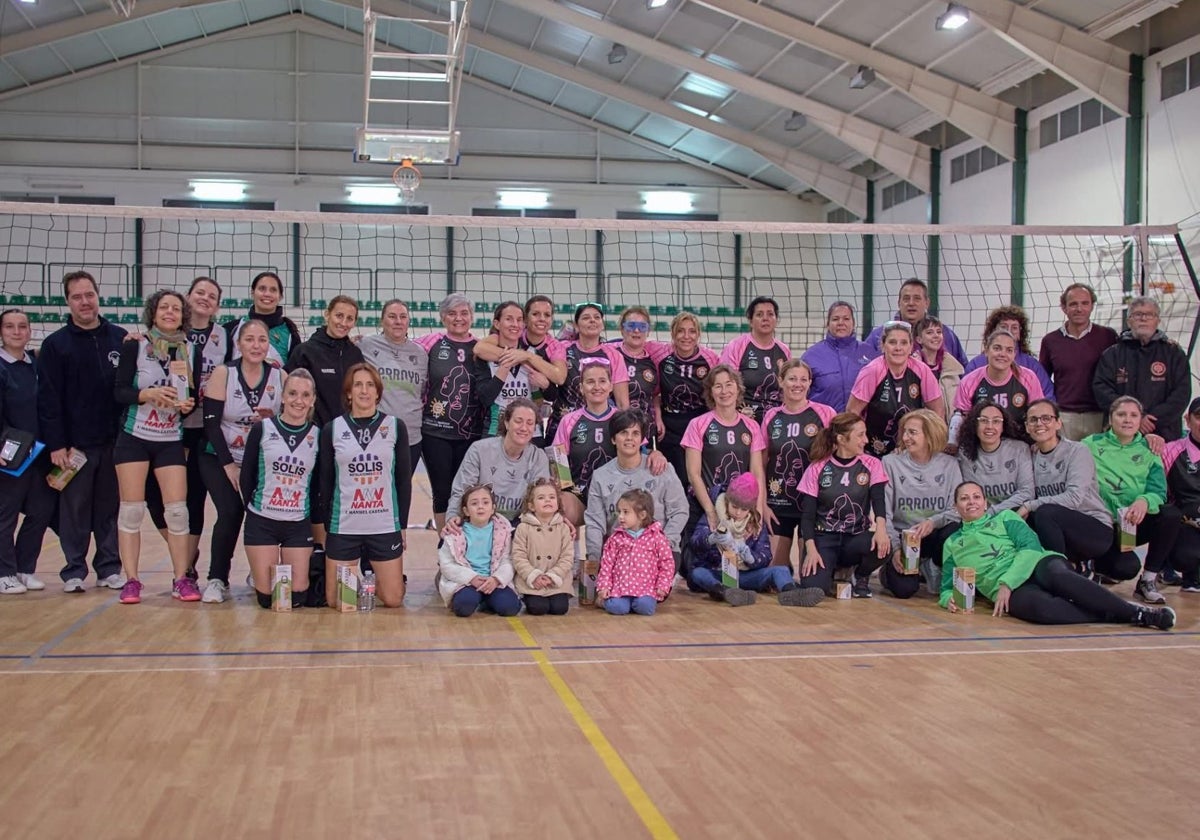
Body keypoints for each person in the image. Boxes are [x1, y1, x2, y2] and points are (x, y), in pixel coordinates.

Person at [941, 481, 1175, 630]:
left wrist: (1007, 583)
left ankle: (1139, 613)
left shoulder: (1005, 519)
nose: (971, 502)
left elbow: (1030, 547)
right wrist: (947, 599)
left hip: (1036, 564)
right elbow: (946, 586)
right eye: (964, 498)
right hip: (1009, 590)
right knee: (1040, 610)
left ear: (985, 503)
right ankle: (1112, 612)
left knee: (1058, 575)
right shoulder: (952, 543)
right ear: (955, 507)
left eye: (976, 497)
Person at [36, 270, 127, 593]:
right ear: (68, 302)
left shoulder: (120, 338)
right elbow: (48, 401)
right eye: (77, 296)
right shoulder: (55, 345)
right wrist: (56, 444)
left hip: (114, 443)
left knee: (109, 509)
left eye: (89, 295)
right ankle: (74, 570)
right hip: (74, 447)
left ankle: (109, 568)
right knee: (73, 510)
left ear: (97, 296)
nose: (85, 302)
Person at [111, 290, 198, 605]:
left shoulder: (187, 349)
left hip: (169, 439)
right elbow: (119, 391)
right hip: (134, 436)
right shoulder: (136, 344)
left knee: (177, 513)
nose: (171, 312)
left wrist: (188, 404)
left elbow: (190, 396)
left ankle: (181, 579)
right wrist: (146, 395)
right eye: (165, 307)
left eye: (176, 308)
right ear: (154, 312)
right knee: (131, 511)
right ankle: (132, 580)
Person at [200, 318, 285, 603]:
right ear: (238, 344)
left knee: (262, 516)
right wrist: (229, 466)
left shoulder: (278, 376)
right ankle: (216, 579)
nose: (256, 345)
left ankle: (257, 572)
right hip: (219, 456)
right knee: (229, 512)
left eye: (262, 340)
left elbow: (288, 422)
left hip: (259, 461)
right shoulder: (224, 373)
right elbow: (211, 425)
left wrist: (273, 420)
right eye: (249, 339)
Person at [316, 363, 412, 608]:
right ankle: (355, 580)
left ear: (378, 392)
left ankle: (382, 580)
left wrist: (401, 525)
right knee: (339, 602)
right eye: (357, 384)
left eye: (370, 385)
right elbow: (325, 483)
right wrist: (328, 527)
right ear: (348, 392)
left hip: (383, 524)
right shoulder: (332, 429)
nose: (364, 390)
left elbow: (403, 481)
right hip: (345, 525)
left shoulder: (395, 427)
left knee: (393, 599)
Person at [1082, 396, 1181, 605]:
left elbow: (1158, 491)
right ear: (1110, 418)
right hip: (1100, 525)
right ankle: (1091, 563)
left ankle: (1147, 580)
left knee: (1170, 515)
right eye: (1121, 414)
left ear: (1140, 420)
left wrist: (1144, 501)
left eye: (1133, 415)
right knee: (1124, 568)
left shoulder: (1149, 449)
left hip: (1130, 526)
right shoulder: (1090, 444)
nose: (1127, 420)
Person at [1019, 399, 1125, 582]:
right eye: (1033, 420)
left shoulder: (1077, 451)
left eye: (1046, 418)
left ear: (1058, 423)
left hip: (1094, 527)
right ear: (1027, 426)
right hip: (1058, 528)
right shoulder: (1030, 454)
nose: (1039, 424)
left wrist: (1029, 505)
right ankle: (1074, 569)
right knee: (1035, 517)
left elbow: (1074, 498)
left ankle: (1062, 576)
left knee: (1044, 512)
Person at [240, 368, 319, 610]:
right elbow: (246, 477)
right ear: (282, 396)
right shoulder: (263, 429)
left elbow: (319, 484)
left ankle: (273, 569)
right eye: (293, 393)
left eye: (306, 395)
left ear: (313, 400)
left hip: (297, 524)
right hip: (263, 521)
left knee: (295, 598)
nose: (299, 400)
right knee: (268, 600)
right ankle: (259, 573)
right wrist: (255, 510)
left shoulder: (318, 435)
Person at [688, 473, 824, 607]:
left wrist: (750, 557)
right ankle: (723, 591)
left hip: (745, 574)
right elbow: (695, 543)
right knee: (698, 573)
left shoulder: (756, 524)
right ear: (727, 501)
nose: (738, 513)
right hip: (718, 572)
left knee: (781, 570)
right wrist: (711, 539)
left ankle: (791, 593)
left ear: (750, 509)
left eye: (744, 509)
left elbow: (765, 556)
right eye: (734, 507)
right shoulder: (714, 516)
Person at [798, 412, 890, 598]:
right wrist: (811, 549)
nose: (866, 440)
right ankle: (829, 571)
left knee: (885, 547)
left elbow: (879, 500)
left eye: (865, 434)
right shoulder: (817, 468)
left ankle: (860, 575)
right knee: (814, 590)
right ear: (841, 439)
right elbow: (807, 516)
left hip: (855, 536)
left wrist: (881, 529)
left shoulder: (872, 464)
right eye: (860, 435)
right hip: (824, 537)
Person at [415, 293, 487, 531]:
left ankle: (463, 542)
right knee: (442, 491)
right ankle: (445, 543)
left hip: (471, 433)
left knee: (467, 490)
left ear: (472, 317)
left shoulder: (481, 347)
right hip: (436, 432)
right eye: (452, 313)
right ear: (443, 317)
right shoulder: (430, 343)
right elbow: (399, 348)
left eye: (464, 313)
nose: (459, 318)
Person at [585, 408, 689, 571]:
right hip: (620, 552)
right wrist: (596, 560)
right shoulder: (600, 477)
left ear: (642, 439)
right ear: (613, 439)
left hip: (659, 551)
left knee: (644, 594)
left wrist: (664, 544)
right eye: (623, 433)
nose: (629, 438)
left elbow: (680, 511)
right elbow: (595, 523)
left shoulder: (663, 469)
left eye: (635, 433)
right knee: (619, 594)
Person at [761, 359, 835, 571]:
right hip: (778, 503)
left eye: (804, 379)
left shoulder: (825, 413)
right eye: (792, 379)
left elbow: (838, 458)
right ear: (781, 381)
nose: (798, 384)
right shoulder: (771, 416)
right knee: (775, 572)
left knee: (810, 575)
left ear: (810, 383)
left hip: (812, 505)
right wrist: (763, 504)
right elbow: (761, 462)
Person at [0, 309, 55, 594]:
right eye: (9, 326)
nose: (16, 331)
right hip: (9, 454)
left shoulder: (35, 363)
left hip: (38, 453)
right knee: (5, 515)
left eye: (22, 326)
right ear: (1, 332)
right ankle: (4, 572)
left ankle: (24, 568)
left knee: (40, 511)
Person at [880, 410, 962, 599]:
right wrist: (894, 550)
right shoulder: (890, 463)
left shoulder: (950, 465)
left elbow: (956, 510)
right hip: (904, 539)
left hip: (934, 534)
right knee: (904, 590)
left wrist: (932, 522)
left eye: (913, 433)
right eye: (905, 432)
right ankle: (888, 570)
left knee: (954, 530)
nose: (906, 438)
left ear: (930, 435)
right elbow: (884, 514)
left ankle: (933, 563)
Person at [471, 294, 567, 446]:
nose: (515, 324)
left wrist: (546, 385)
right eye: (509, 319)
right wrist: (507, 362)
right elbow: (486, 398)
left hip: (531, 431)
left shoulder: (532, 355)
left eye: (518, 320)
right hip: (496, 430)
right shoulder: (487, 355)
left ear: (523, 324)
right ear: (497, 323)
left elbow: (552, 393)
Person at [681, 365, 767, 531]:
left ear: (738, 388)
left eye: (729, 384)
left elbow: (757, 473)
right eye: (718, 386)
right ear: (711, 392)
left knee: (741, 556)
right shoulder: (698, 424)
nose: (724, 391)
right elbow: (693, 474)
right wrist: (711, 512)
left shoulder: (751, 426)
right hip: (705, 506)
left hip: (739, 510)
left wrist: (758, 511)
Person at [1093, 296, 1190, 441]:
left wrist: (1152, 420)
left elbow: (1182, 393)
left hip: (1164, 434)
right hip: (1121, 434)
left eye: (1149, 314)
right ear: (1129, 320)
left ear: (1158, 320)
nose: (1143, 319)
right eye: (1138, 314)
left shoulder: (1173, 353)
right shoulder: (1112, 354)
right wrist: (1133, 417)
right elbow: (1101, 389)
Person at [444, 398, 550, 526]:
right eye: (518, 421)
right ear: (506, 423)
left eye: (530, 423)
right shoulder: (479, 450)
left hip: (520, 523)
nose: (524, 428)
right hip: (482, 520)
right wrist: (453, 516)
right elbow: (462, 489)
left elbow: (543, 498)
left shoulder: (539, 457)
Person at [846, 321, 943, 457]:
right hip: (874, 448)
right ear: (883, 346)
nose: (898, 348)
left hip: (911, 448)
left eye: (904, 343)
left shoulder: (921, 370)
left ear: (911, 348)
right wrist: (857, 445)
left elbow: (937, 410)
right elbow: (852, 411)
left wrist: (932, 441)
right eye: (892, 342)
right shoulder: (872, 371)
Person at [1038, 283, 1118, 440]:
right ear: (1064, 307)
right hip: (1064, 417)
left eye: (1084, 303)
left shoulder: (1108, 336)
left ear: (1092, 306)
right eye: (1073, 304)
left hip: (1099, 415)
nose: (1079, 309)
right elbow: (1043, 381)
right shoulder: (1050, 341)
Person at [359, 299, 428, 474]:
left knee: (403, 492)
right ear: (382, 321)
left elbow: (422, 392)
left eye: (403, 317)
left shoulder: (421, 354)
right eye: (392, 316)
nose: (398, 321)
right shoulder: (366, 345)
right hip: (376, 433)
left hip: (411, 436)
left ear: (408, 321)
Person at [654, 311, 719, 492]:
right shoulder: (660, 355)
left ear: (698, 334)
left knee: (696, 476)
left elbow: (720, 390)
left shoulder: (710, 358)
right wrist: (658, 417)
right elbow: (654, 393)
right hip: (670, 424)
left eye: (692, 331)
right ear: (673, 334)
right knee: (673, 478)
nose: (686, 336)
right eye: (681, 331)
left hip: (699, 422)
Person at [436, 483, 521, 618]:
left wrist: (496, 579)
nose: (480, 506)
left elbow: (508, 560)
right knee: (464, 607)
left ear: (493, 508)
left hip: (493, 580)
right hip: (467, 582)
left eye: (485, 502)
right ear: (466, 511)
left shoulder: (503, 531)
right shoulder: (455, 534)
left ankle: (487, 600)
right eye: (474, 503)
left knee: (510, 608)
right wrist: (472, 578)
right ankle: (477, 598)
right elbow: (446, 564)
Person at [548, 303, 629, 442]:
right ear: (577, 325)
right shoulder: (563, 348)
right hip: (562, 425)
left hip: (600, 427)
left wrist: (626, 431)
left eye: (597, 317)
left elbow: (622, 403)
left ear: (602, 325)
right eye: (586, 318)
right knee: (557, 464)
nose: (592, 320)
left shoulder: (613, 355)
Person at [551, 358, 618, 526]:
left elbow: (639, 455)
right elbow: (558, 461)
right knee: (562, 508)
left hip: (616, 492)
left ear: (611, 386)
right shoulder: (569, 421)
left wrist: (656, 453)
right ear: (581, 388)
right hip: (579, 493)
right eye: (590, 382)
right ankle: (571, 551)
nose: (596, 387)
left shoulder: (622, 418)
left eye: (602, 381)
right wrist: (565, 490)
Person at [950, 329, 1043, 442]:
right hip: (982, 445)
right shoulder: (969, 381)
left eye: (1009, 350)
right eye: (997, 348)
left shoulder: (1028, 377)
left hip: (1019, 443)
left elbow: (1038, 413)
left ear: (1014, 355)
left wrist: (1038, 442)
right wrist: (953, 443)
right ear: (986, 350)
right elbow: (962, 418)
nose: (1002, 354)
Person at [285, 294, 363, 426]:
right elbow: (289, 393)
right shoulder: (304, 352)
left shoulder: (355, 354)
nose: (343, 323)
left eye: (349, 318)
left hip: (348, 434)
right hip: (313, 432)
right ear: (327, 314)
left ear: (354, 322)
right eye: (339, 316)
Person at [595, 489, 675, 615]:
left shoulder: (657, 537)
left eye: (626, 512)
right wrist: (604, 586)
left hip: (646, 590)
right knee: (617, 608)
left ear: (642, 515)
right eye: (619, 512)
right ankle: (604, 602)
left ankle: (634, 604)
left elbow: (667, 563)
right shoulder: (616, 538)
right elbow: (607, 564)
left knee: (646, 608)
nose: (620, 516)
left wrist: (663, 585)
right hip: (620, 589)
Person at [718, 295, 791, 423]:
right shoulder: (736, 347)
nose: (765, 319)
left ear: (776, 320)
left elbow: (788, 388)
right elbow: (724, 386)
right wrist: (735, 415)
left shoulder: (784, 350)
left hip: (777, 419)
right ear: (751, 321)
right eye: (759, 314)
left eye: (770, 314)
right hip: (744, 417)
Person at [955, 400, 1033, 514]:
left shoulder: (1020, 449)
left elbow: (1027, 492)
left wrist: (994, 512)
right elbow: (968, 494)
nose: (990, 426)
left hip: (1015, 512)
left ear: (1003, 426)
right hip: (980, 517)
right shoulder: (965, 452)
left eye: (996, 421)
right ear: (974, 425)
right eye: (984, 421)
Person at [511, 477, 575, 616]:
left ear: (558, 503)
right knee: (538, 609)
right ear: (531, 506)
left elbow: (567, 557)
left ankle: (555, 591)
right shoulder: (523, 527)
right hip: (533, 582)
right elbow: (518, 556)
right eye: (541, 498)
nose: (547, 500)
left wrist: (552, 576)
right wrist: (534, 576)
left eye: (552, 497)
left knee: (559, 609)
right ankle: (527, 597)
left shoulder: (563, 528)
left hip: (556, 582)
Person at [864, 279, 967, 364]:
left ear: (927, 303)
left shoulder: (945, 335)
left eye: (917, 299)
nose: (911, 303)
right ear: (899, 303)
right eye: (906, 299)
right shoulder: (878, 336)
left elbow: (963, 371)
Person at [962, 306, 1055, 399]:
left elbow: (1048, 396)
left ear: (1020, 333)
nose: (1009, 331)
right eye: (1003, 327)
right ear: (993, 330)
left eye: (1014, 327)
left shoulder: (1032, 366)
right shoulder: (976, 364)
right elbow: (964, 397)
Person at [802, 301, 873, 412]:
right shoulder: (811, 356)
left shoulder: (869, 352)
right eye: (835, 319)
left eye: (846, 319)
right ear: (827, 324)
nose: (841, 323)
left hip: (861, 425)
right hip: (823, 425)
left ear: (853, 323)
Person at [1161, 398, 1200, 592]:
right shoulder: (1170, 450)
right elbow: (1159, 492)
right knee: (1185, 556)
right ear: (1188, 419)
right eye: (1199, 417)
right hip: (1186, 523)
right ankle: (1170, 568)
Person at [223, 271, 301, 367]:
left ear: (280, 296)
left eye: (273, 290)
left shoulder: (290, 334)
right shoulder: (232, 329)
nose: (267, 294)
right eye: (262, 289)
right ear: (252, 292)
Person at [613, 306, 660, 440]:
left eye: (642, 326)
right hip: (616, 425)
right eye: (631, 325)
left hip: (644, 427)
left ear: (648, 331)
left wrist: (659, 417)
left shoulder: (654, 360)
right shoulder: (610, 353)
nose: (636, 330)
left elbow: (655, 394)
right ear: (622, 329)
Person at [912, 315, 963, 421]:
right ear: (919, 339)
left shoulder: (952, 368)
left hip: (947, 430)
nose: (936, 336)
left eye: (939, 332)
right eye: (929, 332)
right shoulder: (912, 368)